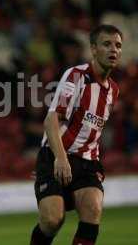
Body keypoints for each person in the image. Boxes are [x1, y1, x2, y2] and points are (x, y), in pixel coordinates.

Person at [30, 24, 122, 245]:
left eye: (118, 45)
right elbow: (51, 119)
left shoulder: (113, 90)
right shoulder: (76, 76)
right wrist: (61, 158)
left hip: (88, 162)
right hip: (56, 155)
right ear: (93, 49)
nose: (114, 50)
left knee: (93, 211)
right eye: (107, 44)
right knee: (53, 220)